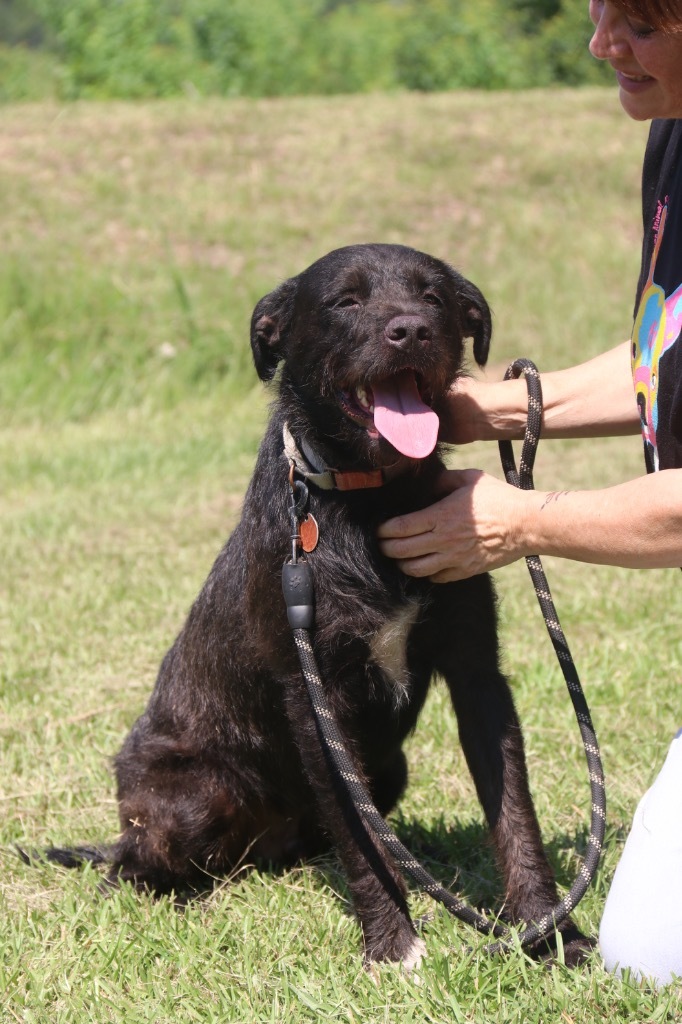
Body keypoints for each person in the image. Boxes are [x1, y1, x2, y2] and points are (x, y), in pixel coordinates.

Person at [378, 0, 682, 987]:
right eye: (600, 11)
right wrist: (496, 409)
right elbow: (661, 361)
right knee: (647, 953)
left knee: (646, 955)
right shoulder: (672, 136)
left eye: (641, 20)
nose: (602, 45)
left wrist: (521, 522)